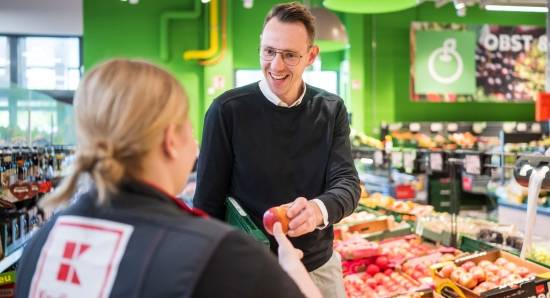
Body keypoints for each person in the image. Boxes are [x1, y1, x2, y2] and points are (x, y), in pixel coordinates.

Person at [15, 59, 321, 298]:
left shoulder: (44, 242)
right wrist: (290, 270)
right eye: (189, 126)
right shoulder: (219, 255)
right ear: (169, 140)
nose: (196, 144)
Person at [194, 2, 360, 297]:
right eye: (269, 51)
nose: (276, 65)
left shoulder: (332, 109)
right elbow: (207, 204)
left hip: (318, 269)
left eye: (290, 55)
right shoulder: (226, 111)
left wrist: (317, 210)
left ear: (311, 55)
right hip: (249, 270)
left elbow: (347, 185)